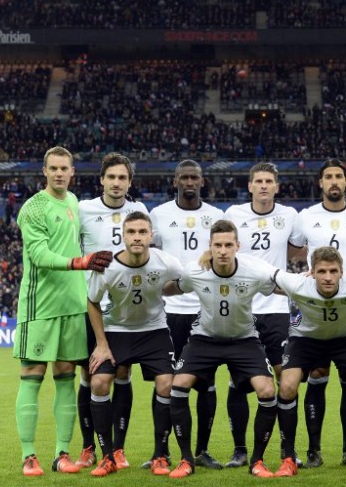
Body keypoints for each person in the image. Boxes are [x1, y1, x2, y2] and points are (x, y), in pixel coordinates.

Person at [13, 146, 114, 477]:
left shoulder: (73, 203)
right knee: (32, 377)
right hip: (40, 306)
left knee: (65, 379)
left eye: (64, 168)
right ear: (44, 171)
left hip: (73, 304)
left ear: (73, 172)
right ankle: (29, 456)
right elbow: (40, 255)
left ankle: (61, 454)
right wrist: (80, 263)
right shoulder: (33, 208)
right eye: (53, 168)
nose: (58, 173)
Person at [162, 220, 280, 478]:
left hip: (244, 339)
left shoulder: (254, 272)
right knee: (179, 385)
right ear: (210, 247)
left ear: (238, 246)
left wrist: (309, 284)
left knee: (268, 390)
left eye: (228, 245)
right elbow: (170, 288)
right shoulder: (195, 271)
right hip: (205, 339)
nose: (223, 250)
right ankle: (186, 460)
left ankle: (257, 461)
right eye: (218, 245)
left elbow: (283, 286)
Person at [272, 246, 346, 477]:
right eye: (322, 271)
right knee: (287, 386)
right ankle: (289, 459)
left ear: (342, 272)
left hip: (345, 339)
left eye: (333, 271)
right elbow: (266, 271)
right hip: (305, 339)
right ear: (311, 272)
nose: (328, 277)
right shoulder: (298, 284)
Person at [288, 158, 346, 467]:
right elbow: (291, 251)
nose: (334, 181)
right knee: (317, 373)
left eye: (339, 176)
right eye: (329, 177)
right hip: (315, 307)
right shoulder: (305, 217)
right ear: (321, 183)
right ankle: (314, 450)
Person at [86, 212, 181, 477]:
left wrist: (174, 288)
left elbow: (180, 282)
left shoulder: (166, 262)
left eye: (142, 232)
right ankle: (107, 457)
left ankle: (160, 455)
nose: (137, 237)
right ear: (123, 236)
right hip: (117, 330)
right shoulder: (108, 266)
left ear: (151, 236)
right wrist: (102, 344)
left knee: (166, 383)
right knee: (99, 383)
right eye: (131, 232)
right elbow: (92, 301)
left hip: (154, 331)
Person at [222, 162, 301, 468]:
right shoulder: (233, 214)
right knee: (238, 381)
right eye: (259, 181)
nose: (265, 186)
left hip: (276, 311)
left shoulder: (290, 216)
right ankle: (240, 449)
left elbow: (296, 251)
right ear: (250, 185)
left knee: (285, 379)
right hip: (242, 310)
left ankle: (286, 448)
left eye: (270, 181)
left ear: (276, 187)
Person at [74, 153, 149, 470]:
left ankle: (118, 449)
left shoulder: (140, 211)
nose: (117, 183)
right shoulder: (83, 210)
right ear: (101, 179)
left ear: (129, 182)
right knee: (89, 374)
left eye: (123, 178)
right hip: (89, 304)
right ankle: (88, 447)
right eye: (111, 177)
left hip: (124, 308)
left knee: (122, 372)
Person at [149, 160, 224, 469]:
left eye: (194, 177)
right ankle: (160, 451)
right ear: (175, 181)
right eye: (184, 177)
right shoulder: (159, 215)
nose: (190, 181)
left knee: (205, 383)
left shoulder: (216, 217)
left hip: (203, 311)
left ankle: (202, 451)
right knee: (164, 383)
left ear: (202, 181)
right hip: (166, 313)